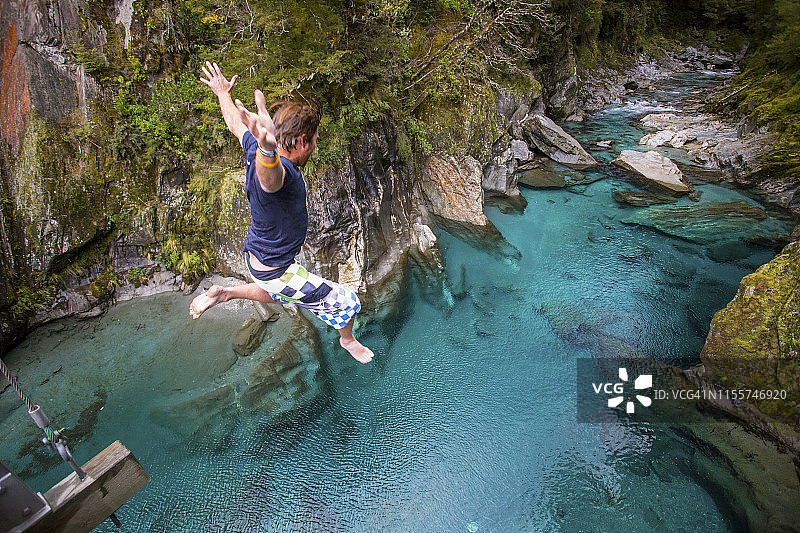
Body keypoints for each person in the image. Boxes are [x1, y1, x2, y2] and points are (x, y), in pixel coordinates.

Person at [189, 62, 374, 364]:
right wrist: (267, 152)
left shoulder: (254, 146)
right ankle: (348, 340)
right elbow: (268, 180)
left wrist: (222, 92)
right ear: (302, 141)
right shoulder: (280, 169)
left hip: (260, 257)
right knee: (347, 302)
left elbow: (236, 125)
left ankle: (224, 294)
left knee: (280, 293)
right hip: (273, 266)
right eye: (314, 141)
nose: (315, 146)